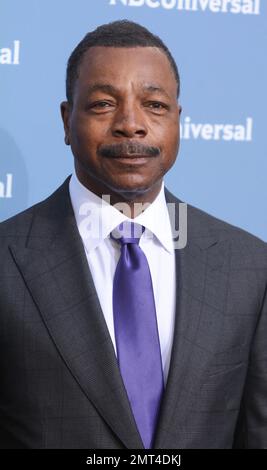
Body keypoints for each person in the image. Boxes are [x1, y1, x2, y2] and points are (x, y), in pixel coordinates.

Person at [0, 19, 266, 450]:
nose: (131, 124)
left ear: (178, 121)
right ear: (67, 121)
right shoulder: (7, 260)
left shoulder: (250, 268)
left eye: (154, 105)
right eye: (104, 104)